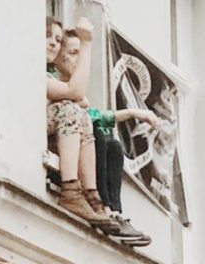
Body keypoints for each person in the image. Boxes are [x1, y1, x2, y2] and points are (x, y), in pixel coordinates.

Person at [54, 28, 154, 246]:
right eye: (71, 53)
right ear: (58, 58)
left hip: (76, 138)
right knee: (99, 135)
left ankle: (113, 210)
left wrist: (133, 113)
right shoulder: (57, 83)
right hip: (61, 144)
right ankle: (101, 205)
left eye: (79, 53)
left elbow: (95, 115)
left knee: (114, 147)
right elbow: (84, 110)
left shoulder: (74, 90)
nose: (76, 59)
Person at [45, 17, 109, 227]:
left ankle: (92, 197)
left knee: (85, 119)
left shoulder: (49, 77)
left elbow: (83, 100)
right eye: (46, 36)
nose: (53, 42)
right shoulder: (35, 73)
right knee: (71, 110)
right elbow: (76, 93)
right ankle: (71, 189)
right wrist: (87, 43)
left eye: (56, 38)